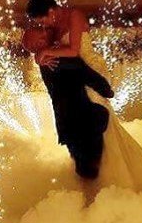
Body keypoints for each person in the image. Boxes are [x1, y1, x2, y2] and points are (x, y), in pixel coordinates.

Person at [26, 0, 142, 191]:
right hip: (73, 72)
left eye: (42, 20)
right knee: (81, 118)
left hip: (89, 67)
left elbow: (73, 50)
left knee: (96, 118)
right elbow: (42, 47)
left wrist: (47, 52)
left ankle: (113, 176)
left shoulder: (74, 16)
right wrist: (41, 56)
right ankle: (90, 170)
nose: (42, 25)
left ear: (51, 11)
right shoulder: (52, 26)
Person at [23, 27, 113, 190]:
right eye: (41, 36)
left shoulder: (46, 59)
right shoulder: (54, 59)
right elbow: (83, 71)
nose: (46, 35)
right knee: (90, 169)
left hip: (69, 123)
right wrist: (106, 90)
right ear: (38, 44)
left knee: (85, 168)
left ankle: (87, 197)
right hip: (81, 120)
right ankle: (92, 198)